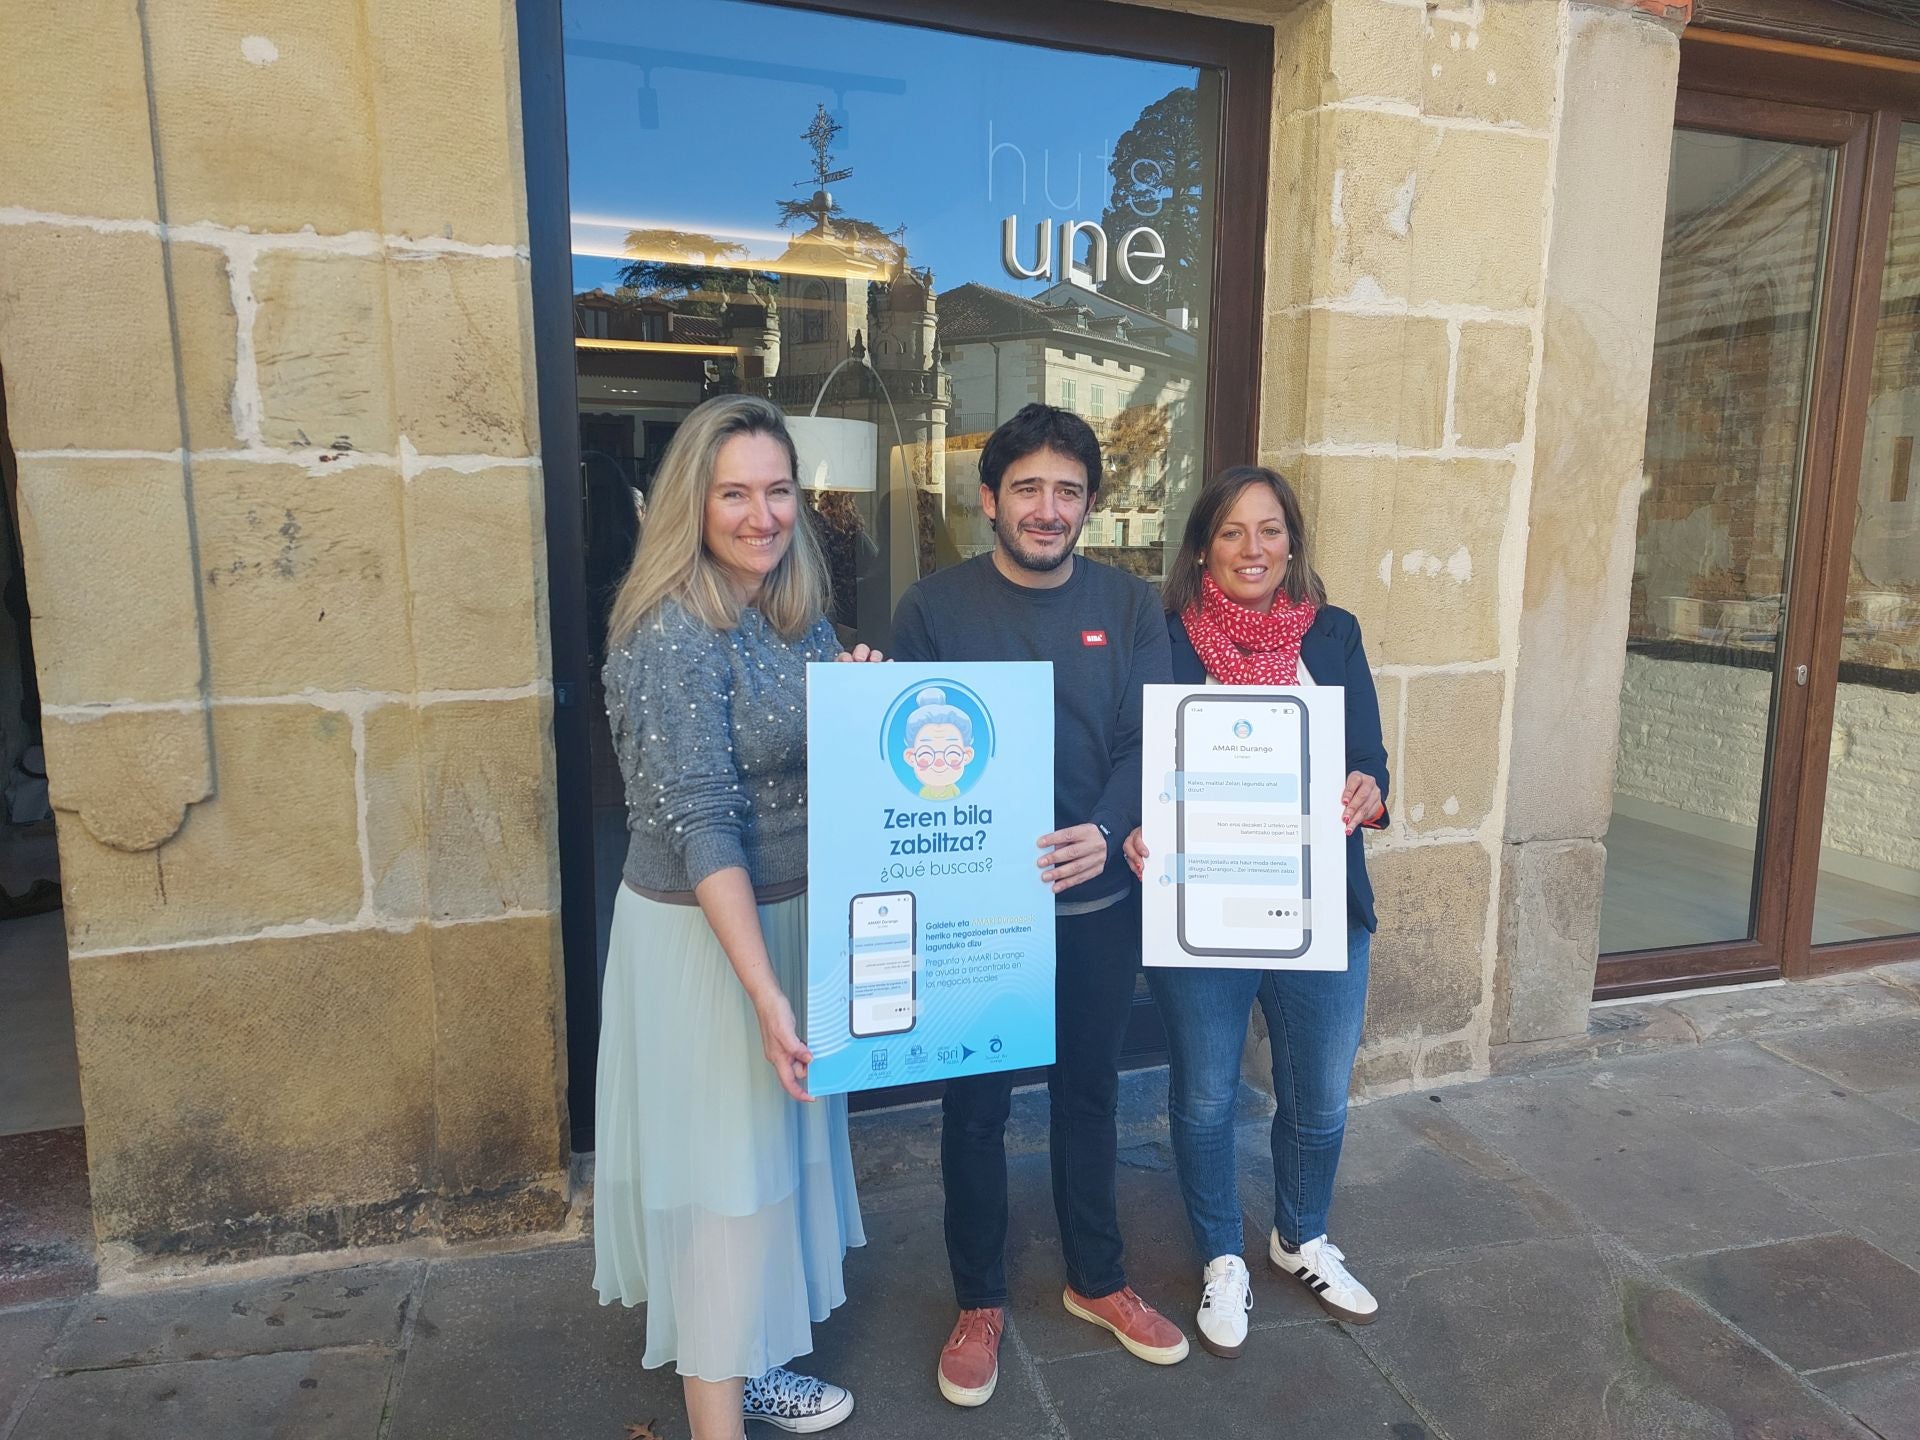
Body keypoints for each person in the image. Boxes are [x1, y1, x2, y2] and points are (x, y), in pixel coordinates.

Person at [594, 394, 881, 1439]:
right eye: (734, 494)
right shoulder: (674, 628)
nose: (761, 515)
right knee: (723, 1185)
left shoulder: (793, 610)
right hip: (710, 943)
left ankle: (751, 1367)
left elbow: (813, 766)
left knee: (764, 1172)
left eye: (778, 490)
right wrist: (762, 991)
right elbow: (705, 822)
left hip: (786, 926)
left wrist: (860, 701)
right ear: (692, 503)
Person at [890, 403, 1186, 1408]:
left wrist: (1103, 831)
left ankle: (1097, 1278)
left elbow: (1152, 743)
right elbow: (900, 752)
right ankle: (979, 1299)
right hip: (978, 910)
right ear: (989, 499)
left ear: (1091, 505)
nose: (1047, 509)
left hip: (1099, 901)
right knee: (972, 1108)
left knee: (1090, 1095)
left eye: (1067, 491)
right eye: (1027, 488)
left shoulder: (1133, 606)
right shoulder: (934, 607)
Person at [1123, 465, 1390, 1358]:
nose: (1253, 549)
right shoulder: (1160, 636)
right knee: (1203, 1097)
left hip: (1319, 907)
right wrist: (1132, 829)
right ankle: (1222, 1256)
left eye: (1269, 530)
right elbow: (1137, 764)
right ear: (1203, 545)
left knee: (1318, 1096)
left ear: (1291, 543)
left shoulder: (1336, 633)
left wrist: (1366, 789)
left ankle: (1301, 1235)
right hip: (1202, 910)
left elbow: (1371, 758)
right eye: (1233, 532)